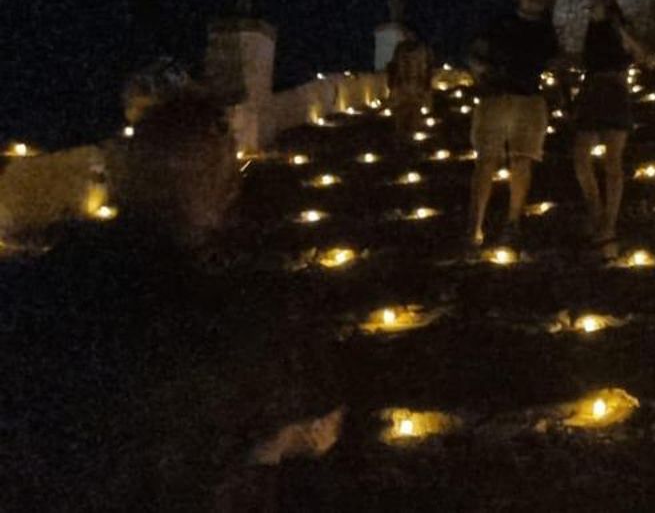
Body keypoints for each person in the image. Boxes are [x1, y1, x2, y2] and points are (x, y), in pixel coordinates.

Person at [0, 92, 344, 510]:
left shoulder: (43, 287)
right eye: (220, 168)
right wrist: (283, 439)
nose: (231, 183)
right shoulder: (230, 315)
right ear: (224, 186)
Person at [466, 0, 560, 247]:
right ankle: (474, 226)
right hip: (494, 97)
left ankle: (513, 221)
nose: (534, 2)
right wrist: (481, 70)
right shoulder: (499, 24)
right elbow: (475, 52)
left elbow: (553, 60)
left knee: (522, 160)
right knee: (486, 161)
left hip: (529, 98)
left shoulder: (545, 31)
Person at [569, 0, 651, 259]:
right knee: (581, 156)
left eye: (590, 5)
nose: (587, 11)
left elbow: (642, 56)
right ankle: (597, 212)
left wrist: (622, 32)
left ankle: (608, 225)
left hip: (615, 90)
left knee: (612, 160)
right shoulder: (591, 31)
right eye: (585, 7)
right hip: (591, 91)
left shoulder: (618, 26)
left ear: (604, 2)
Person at [385, 27, 434, 139]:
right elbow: (394, 65)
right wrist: (392, 82)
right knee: (401, 115)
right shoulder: (400, 48)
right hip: (402, 87)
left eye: (410, 33)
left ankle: (414, 139)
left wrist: (426, 84)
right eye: (406, 33)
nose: (408, 35)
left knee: (416, 115)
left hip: (418, 87)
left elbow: (429, 67)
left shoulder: (423, 48)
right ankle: (400, 139)